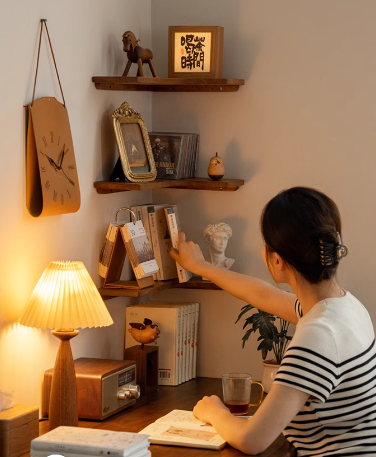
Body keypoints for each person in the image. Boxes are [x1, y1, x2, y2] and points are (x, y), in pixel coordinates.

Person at [170, 186, 376, 456]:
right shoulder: (344, 307)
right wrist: (201, 266)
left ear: (277, 260)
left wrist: (215, 411)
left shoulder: (318, 335)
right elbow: (264, 295)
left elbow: (252, 440)